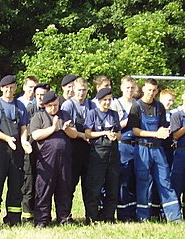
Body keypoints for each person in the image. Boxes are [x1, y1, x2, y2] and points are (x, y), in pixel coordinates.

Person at [127, 78, 181, 222]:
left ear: (157, 91)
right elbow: (135, 131)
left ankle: (174, 217)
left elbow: (163, 126)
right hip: (142, 148)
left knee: (165, 180)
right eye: (149, 90)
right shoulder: (136, 107)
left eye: (154, 90)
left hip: (158, 149)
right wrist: (154, 134)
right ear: (144, 89)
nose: (151, 93)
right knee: (143, 182)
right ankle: (143, 217)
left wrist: (165, 131)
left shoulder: (159, 107)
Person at [0, 75, 32, 227]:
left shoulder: (20, 106)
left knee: (16, 186)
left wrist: (24, 141)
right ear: (2, 89)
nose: (9, 90)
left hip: (17, 152)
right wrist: (7, 138)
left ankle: (14, 219)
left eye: (12, 87)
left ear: (15, 88)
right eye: (6, 88)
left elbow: (24, 127)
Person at [30, 91, 78, 227]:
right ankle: (42, 219)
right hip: (46, 160)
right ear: (45, 105)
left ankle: (64, 218)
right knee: (44, 189)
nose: (53, 108)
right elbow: (35, 135)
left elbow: (74, 135)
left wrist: (66, 129)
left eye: (55, 105)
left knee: (64, 188)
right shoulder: (38, 117)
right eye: (50, 106)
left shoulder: (65, 115)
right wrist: (53, 128)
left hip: (64, 159)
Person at [84, 88, 121, 224]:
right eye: (104, 100)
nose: (107, 103)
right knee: (94, 186)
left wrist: (114, 135)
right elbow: (88, 133)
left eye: (109, 100)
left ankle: (109, 217)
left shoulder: (114, 114)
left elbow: (119, 134)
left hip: (113, 153)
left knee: (112, 186)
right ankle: (92, 217)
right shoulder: (92, 113)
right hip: (98, 153)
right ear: (99, 100)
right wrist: (104, 133)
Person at [61, 77, 96, 218]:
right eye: (79, 90)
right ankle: (65, 215)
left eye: (84, 90)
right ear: (73, 90)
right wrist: (83, 135)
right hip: (73, 149)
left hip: (90, 149)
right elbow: (67, 129)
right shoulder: (67, 106)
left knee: (90, 185)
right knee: (70, 184)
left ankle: (91, 216)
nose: (82, 93)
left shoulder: (92, 105)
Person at [22, 83, 50, 222]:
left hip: (47, 152)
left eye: (43, 95)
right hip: (31, 149)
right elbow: (24, 128)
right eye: (37, 95)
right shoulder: (29, 109)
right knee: (29, 181)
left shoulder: (52, 109)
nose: (40, 98)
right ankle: (27, 215)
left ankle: (44, 214)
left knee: (44, 183)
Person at [112, 76, 137, 222]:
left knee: (135, 179)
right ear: (122, 88)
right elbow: (113, 127)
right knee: (123, 180)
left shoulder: (138, 104)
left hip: (138, 145)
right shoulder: (116, 104)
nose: (129, 90)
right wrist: (127, 121)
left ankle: (134, 212)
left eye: (132, 88)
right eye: (127, 87)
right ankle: (123, 214)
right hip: (123, 145)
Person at [170, 92, 185, 219]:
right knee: (177, 183)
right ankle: (176, 213)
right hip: (180, 152)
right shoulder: (177, 115)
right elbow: (175, 135)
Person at [159, 89, 176, 168]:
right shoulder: (156, 113)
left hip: (169, 148)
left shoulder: (173, 115)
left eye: (172, 101)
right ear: (161, 99)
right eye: (169, 100)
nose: (171, 103)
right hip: (158, 147)